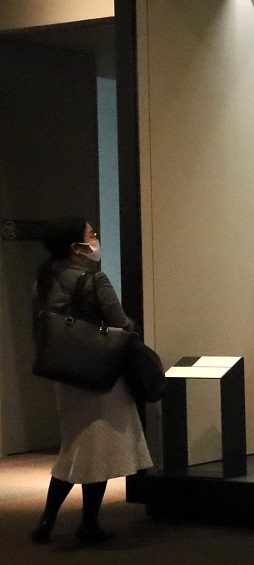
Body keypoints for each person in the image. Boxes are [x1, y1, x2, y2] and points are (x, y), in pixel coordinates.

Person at [30, 217, 153, 544]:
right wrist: (135, 326)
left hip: (64, 376)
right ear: (77, 247)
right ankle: (87, 524)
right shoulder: (94, 279)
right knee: (98, 449)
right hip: (99, 375)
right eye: (91, 235)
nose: (96, 239)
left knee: (74, 446)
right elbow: (120, 324)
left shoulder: (43, 280)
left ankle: (48, 520)